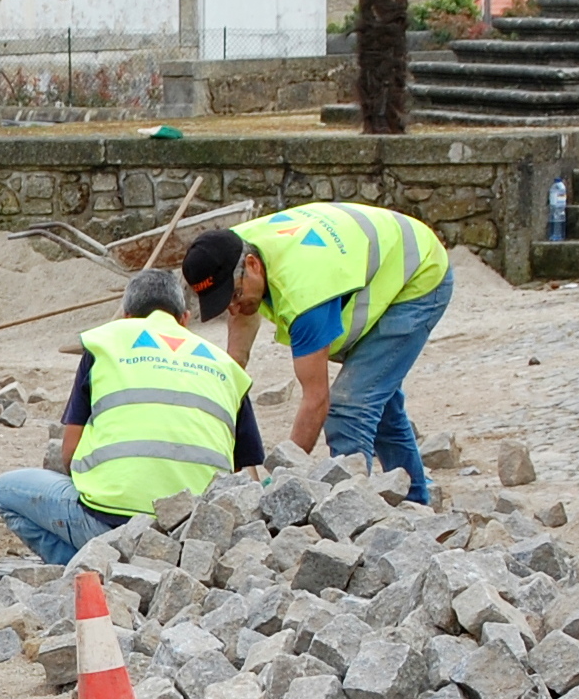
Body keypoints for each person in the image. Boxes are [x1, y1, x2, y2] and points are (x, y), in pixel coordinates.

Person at [182, 200, 453, 506]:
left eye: (233, 296)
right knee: (377, 401)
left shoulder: (305, 293)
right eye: (221, 304)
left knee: (351, 408)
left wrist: (278, 485)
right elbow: (236, 362)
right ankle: (417, 500)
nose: (232, 308)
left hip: (418, 275)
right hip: (374, 252)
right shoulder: (229, 249)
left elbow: (316, 400)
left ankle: (351, 519)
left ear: (253, 266)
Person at [0, 270, 262, 565]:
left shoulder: (105, 343)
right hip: (193, 536)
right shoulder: (225, 365)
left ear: (128, 318)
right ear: (184, 319)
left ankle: (88, 568)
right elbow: (243, 473)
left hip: (109, 526)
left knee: (5, 491)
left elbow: (70, 454)